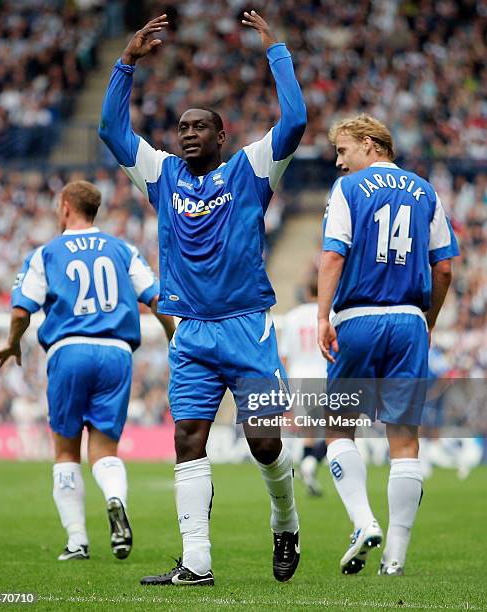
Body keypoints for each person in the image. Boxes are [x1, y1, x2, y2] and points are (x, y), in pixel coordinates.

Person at [99, 11, 306, 585]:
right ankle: (197, 561)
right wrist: (125, 64)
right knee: (187, 437)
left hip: (247, 328)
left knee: (264, 442)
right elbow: (113, 135)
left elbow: (296, 121)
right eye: (182, 127)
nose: (186, 133)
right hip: (191, 332)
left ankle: (285, 519)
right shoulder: (161, 177)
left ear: (221, 136)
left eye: (199, 127)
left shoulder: (250, 170)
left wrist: (276, 52)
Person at [0, 180, 175, 561]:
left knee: (66, 450)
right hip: (117, 353)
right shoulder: (122, 249)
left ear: (66, 206)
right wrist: (174, 337)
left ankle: (77, 541)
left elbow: (23, 309)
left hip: (69, 350)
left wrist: (11, 342)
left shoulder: (47, 253)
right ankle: (116, 500)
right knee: (105, 449)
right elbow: (157, 298)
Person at [317, 114, 459, 576]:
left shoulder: (350, 190)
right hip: (409, 322)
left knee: (338, 429)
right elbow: (444, 269)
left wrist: (323, 314)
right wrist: (429, 319)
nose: (339, 162)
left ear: (370, 143)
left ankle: (362, 522)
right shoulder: (427, 192)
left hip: (357, 320)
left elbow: (334, 253)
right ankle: (394, 559)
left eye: (343, 150)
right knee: (405, 441)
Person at [279, 277, 327, 496]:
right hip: (323, 374)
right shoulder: (330, 313)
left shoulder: (291, 317)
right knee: (338, 429)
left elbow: (284, 355)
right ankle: (312, 461)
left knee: (309, 430)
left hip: (298, 377)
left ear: (307, 292)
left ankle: (309, 465)